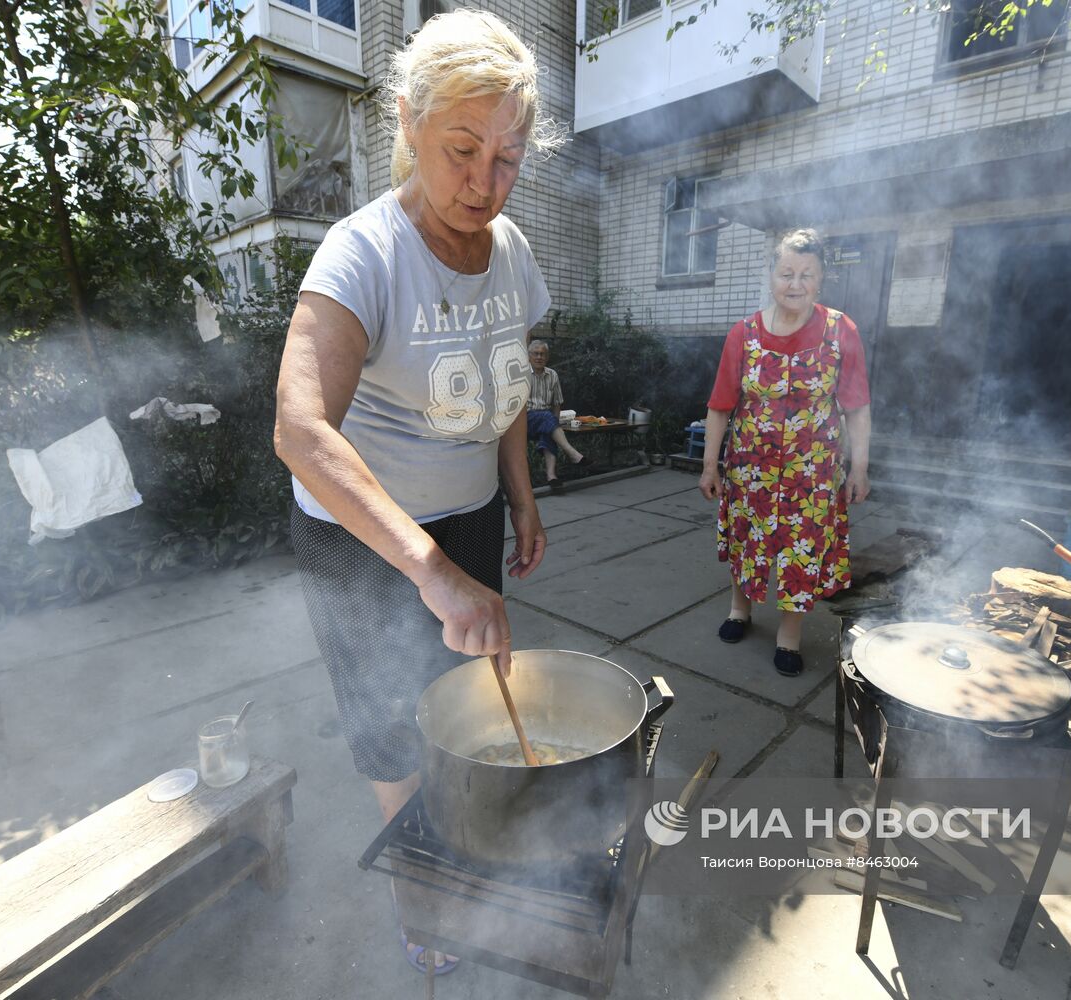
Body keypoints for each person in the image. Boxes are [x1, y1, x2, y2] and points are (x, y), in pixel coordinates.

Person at [273, 10, 563, 975]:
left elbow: (507, 383)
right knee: (392, 734)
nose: (484, 182)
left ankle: (473, 849)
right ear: (406, 121)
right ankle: (420, 899)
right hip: (361, 543)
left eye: (509, 158)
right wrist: (433, 572)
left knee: (468, 706)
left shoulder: (514, 252)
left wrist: (519, 495)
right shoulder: (362, 255)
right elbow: (299, 431)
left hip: (471, 520)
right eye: (462, 149)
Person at [698, 229, 872, 677]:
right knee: (746, 541)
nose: (795, 284)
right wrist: (709, 464)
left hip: (812, 474)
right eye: (786, 273)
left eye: (806, 275)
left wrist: (860, 468)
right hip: (749, 468)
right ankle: (740, 609)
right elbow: (720, 406)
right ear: (771, 276)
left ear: (820, 280)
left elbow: (856, 408)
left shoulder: (840, 330)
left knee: (802, 551)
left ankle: (789, 635)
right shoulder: (744, 334)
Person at [525, 339, 592, 486]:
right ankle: (571, 453)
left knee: (549, 428)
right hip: (526, 420)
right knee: (547, 418)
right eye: (535, 354)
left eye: (542, 354)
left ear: (547, 357)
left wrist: (555, 426)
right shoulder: (522, 374)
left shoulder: (552, 375)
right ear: (529, 356)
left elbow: (557, 404)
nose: (539, 357)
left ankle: (551, 476)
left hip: (545, 419)